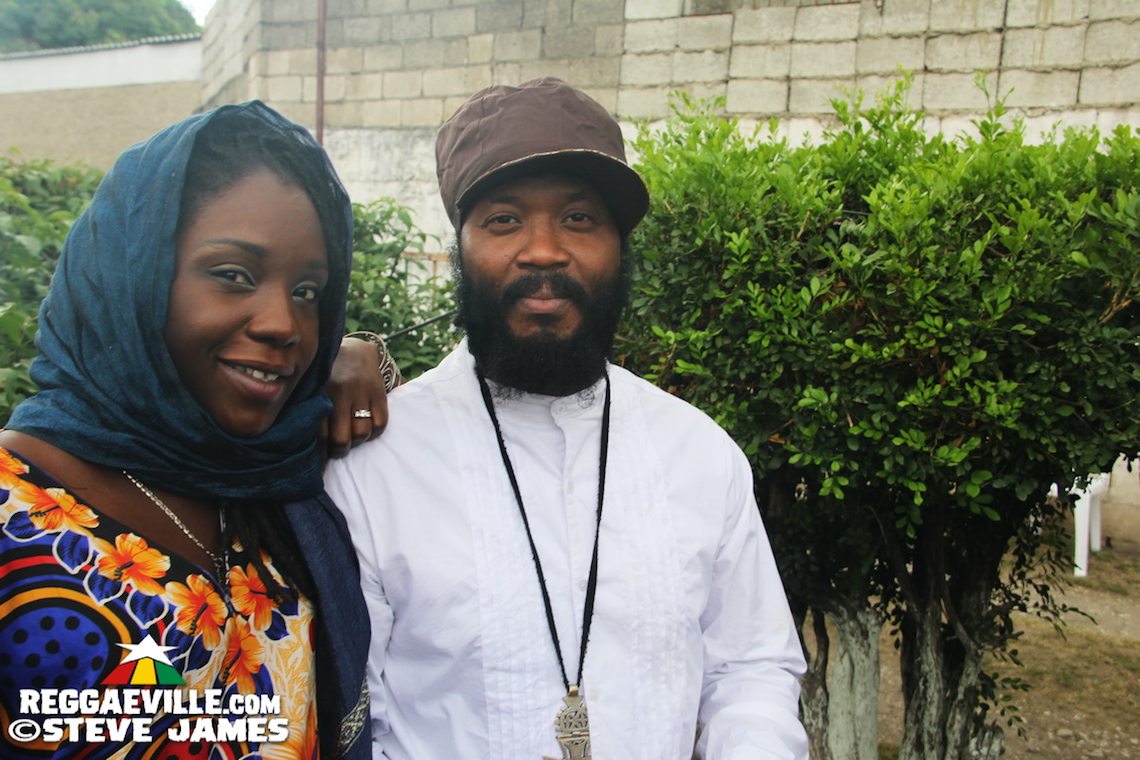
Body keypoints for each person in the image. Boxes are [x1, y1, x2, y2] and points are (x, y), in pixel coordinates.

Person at [325, 77, 809, 759]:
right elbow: (349, 707)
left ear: (621, 247)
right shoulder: (378, 462)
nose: (544, 250)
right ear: (459, 245)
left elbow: (750, 670)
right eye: (504, 220)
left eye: (580, 219)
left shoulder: (700, 455)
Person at [0, 101, 380, 759]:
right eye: (234, 275)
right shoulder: (14, 515)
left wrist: (353, 356)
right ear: (131, 276)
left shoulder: (270, 478)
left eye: (308, 292)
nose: (284, 325)